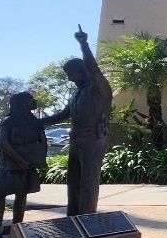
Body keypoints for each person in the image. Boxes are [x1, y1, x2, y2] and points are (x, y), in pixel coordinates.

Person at [41, 26, 113, 216]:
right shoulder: (76, 94)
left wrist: (84, 45)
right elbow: (63, 114)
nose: (70, 79)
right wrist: (37, 123)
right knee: (73, 182)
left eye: (71, 75)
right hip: (76, 141)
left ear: (82, 71)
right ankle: (72, 217)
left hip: (93, 141)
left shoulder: (99, 88)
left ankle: (87, 219)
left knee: (88, 182)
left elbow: (95, 70)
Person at [0, 92, 47, 238]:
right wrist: (20, 160)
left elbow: (42, 141)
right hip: (8, 165)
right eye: (30, 100)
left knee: (22, 194)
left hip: (26, 166)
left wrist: (38, 159)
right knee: (0, 196)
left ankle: (17, 228)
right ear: (22, 103)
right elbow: (3, 144)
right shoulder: (8, 122)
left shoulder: (34, 122)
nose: (33, 102)